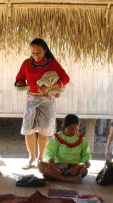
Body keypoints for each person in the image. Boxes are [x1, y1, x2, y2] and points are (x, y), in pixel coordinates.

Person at [15, 38, 70, 169]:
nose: (35, 55)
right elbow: (19, 79)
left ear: (45, 51)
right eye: (33, 52)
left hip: (47, 99)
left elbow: (66, 78)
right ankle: (31, 158)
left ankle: (40, 159)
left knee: (44, 130)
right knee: (29, 129)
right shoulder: (26, 63)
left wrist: (50, 88)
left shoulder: (52, 63)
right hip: (31, 98)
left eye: (38, 52)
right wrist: (20, 84)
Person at [38, 114, 91, 183]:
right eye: (71, 129)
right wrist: (50, 159)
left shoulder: (82, 139)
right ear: (65, 127)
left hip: (73, 167)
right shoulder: (57, 137)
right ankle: (67, 179)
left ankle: (56, 176)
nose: (74, 131)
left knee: (84, 170)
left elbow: (86, 154)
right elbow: (49, 152)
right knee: (40, 164)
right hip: (58, 166)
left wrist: (86, 161)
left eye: (76, 129)